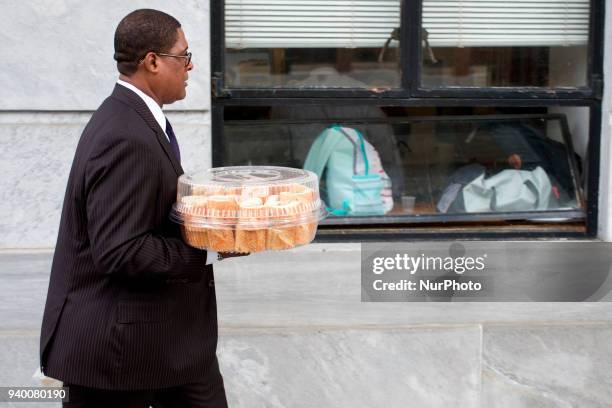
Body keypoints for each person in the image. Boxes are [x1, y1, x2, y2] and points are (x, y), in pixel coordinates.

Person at [40, 9, 236, 407]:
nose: (191, 65)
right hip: (118, 353)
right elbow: (121, 249)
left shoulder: (133, 120)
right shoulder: (126, 135)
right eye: (183, 56)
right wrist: (216, 245)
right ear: (152, 61)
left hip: (165, 341)